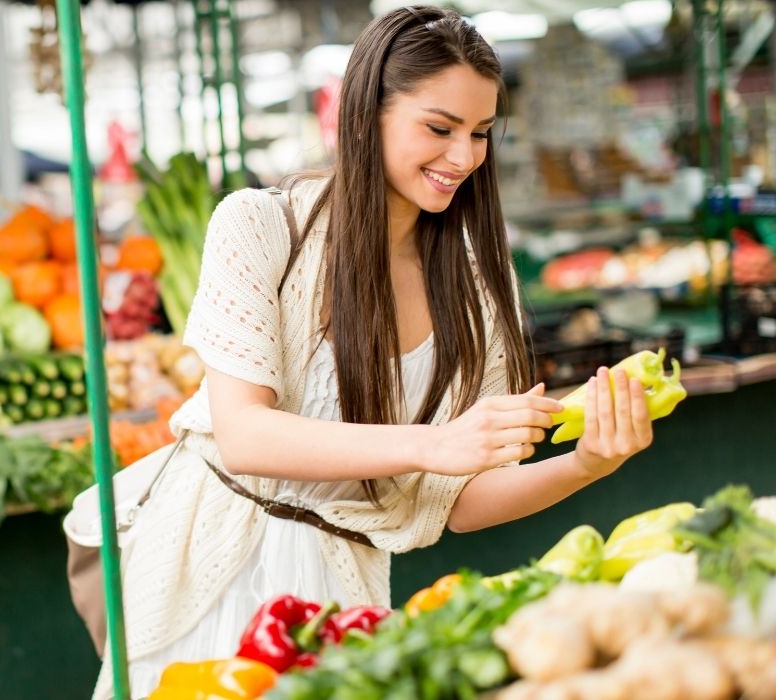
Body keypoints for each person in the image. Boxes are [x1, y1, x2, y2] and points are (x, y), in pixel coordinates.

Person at [92, 8, 655, 698]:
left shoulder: (477, 282)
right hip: (210, 568)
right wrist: (431, 444)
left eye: (480, 135)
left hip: (343, 596)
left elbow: (459, 502)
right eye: (439, 128)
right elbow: (244, 434)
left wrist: (586, 465)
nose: (464, 158)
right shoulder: (260, 227)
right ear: (366, 114)